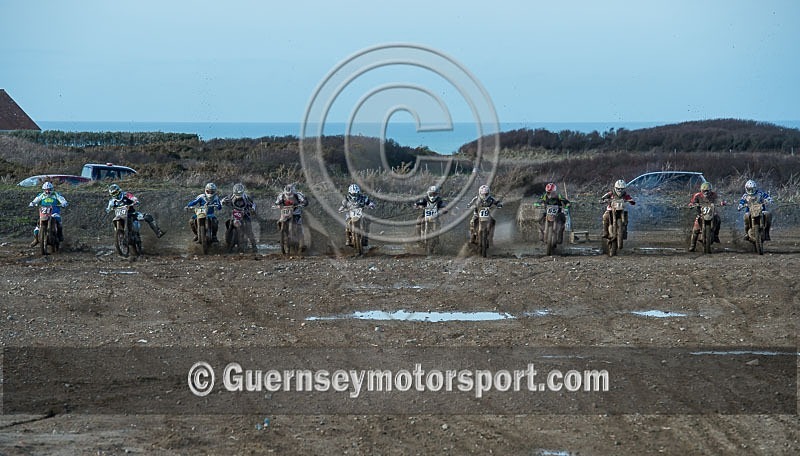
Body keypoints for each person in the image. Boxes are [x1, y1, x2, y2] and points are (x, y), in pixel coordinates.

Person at [28, 181, 68, 246]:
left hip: (54, 213)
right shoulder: (41, 195)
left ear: (52, 189)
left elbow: (62, 200)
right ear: (43, 190)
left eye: (49, 190)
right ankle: (36, 239)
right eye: (46, 190)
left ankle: (60, 235)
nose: (47, 191)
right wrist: (32, 203)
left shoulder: (56, 194)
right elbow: (36, 200)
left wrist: (64, 203)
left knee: (59, 222)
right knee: (38, 225)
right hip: (44, 213)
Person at [688, 182, 724, 251]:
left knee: (718, 219)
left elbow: (720, 199)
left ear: (710, 190)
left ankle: (716, 235)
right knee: (695, 229)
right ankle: (692, 245)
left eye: (707, 191)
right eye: (704, 191)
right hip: (701, 214)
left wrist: (722, 202)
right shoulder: (697, 195)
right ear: (701, 190)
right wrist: (691, 204)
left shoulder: (714, 195)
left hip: (712, 213)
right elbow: (692, 202)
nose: (706, 193)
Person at [221, 183, 258, 251]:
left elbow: (253, 204)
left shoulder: (246, 197)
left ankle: (254, 246)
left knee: (249, 229)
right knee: (229, 225)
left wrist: (252, 209)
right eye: (237, 194)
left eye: (240, 194)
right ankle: (227, 239)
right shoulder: (231, 196)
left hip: (245, 213)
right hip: (235, 214)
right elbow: (223, 200)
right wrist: (223, 202)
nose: (238, 196)